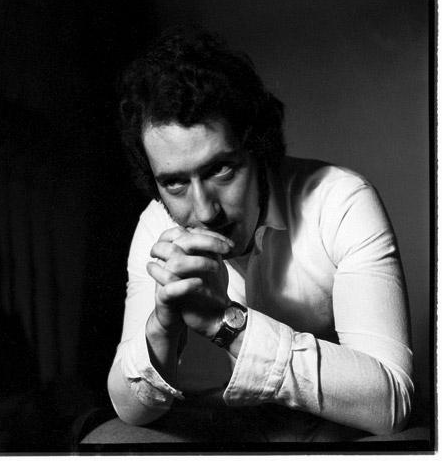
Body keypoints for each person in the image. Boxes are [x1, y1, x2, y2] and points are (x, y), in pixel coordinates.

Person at [88, 27, 414, 443]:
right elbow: (131, 409)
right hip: (212, 426)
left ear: (257, 148)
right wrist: (162, 327)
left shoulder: (341, 200)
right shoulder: (156, 224)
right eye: (175, 183)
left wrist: (224, 324)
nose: (205, 211)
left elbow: (390, 402)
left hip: (329, 429)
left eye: (220, 169)